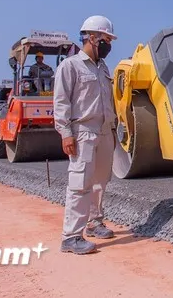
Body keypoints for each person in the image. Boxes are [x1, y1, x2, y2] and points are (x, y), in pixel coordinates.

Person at [53, 15, 118, 255]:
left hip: (104, 132)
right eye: (106, 40)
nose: (109, 45)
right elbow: (61, 103)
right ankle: (70, 237)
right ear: (92, 37)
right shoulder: (70, 66)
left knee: (100, 182)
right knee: (80, 184)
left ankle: (94, 222)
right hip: (83, 133)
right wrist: (65, 133)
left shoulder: (103, 68)